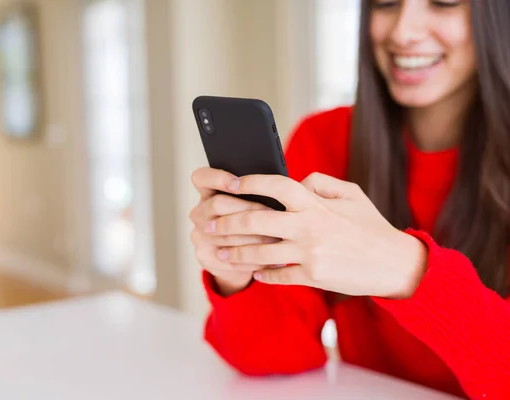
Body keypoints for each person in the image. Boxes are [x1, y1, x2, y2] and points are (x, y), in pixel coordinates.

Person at [188, 0, 510, 399]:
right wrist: (234, 268)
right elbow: (274, 357)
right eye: (385, 3)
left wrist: (406, 270)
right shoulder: (323, 140)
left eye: (443, 2)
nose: (403, 32)